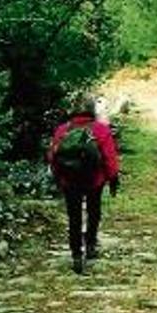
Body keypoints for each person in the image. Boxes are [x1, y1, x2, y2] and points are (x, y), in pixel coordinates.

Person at [48, 95, 120, 274]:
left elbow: (53, 156)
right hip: (94, 179)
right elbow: (109, 157)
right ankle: (90, 245)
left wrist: (58, 177)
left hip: (69, 180)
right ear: (92, 110)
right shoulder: (101, 130)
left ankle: (75, 254)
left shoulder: (62, 130)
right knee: (94, 211)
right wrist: (112, 178)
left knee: (74, 217)